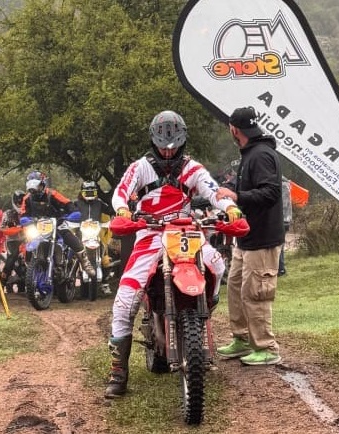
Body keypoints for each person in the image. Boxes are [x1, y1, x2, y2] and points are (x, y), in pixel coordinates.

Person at [104, 110, 240, 398]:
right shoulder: (140, 167)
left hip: (185, 231)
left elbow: (214, 191)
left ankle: (203, 310)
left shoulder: (193, 168)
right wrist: (123, 210)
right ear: (153, 142)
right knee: (125, 299)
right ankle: (118, 371)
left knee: (216, 265)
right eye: (163, 147)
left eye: (173, 147)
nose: (168, 152)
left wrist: (230, 209)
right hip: (149, 234)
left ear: (182, 142)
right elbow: (121, 192)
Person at [215, 106, 285, 366]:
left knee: (257, 292)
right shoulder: (249, 153)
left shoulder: (262, 155)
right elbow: (245, 187)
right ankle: (242, 338)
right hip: (245, 238)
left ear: (234, 129)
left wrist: (237, 196)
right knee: (236, 288)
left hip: (263, 239)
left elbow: (271, 193)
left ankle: (266, 347)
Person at [20, 170, 96, 278]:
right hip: (38, 227)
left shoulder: (52, 194)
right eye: (32, 188)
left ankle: (86, 263)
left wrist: (73, 213)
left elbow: (68, 203)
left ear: (43, 184)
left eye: (37, 187)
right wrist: (24, 219)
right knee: (27, 242)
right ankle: (30, 268)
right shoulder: (27, 198)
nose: (35, 190)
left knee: (71, 239)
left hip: (57, 223)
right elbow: (23, 213)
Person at [278, 176, 293, 276]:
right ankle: (280, 268)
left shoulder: (283, 187)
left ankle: (281, 269)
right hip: (283, 219)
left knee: (278, 245)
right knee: (279, 244)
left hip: (282, 220)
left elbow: (283, 205)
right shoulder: (284, 186)